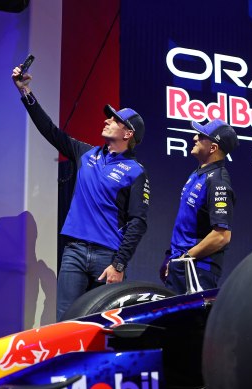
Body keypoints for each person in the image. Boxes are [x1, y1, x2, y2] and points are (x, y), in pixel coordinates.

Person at [12, 63, 150, 320]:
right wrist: (25, 91)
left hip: (107, 257)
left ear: (128, 133)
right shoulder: (86, 153)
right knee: (65, 322)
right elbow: (50, 131)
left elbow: (138, 222)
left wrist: (119, 264)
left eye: (114, 119)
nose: (107, 120)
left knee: (103, 324)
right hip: (73, 252)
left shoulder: (135, 171)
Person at [163, 119, 238, 294]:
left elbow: (222, 236)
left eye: (201, 136)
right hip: (181, 264)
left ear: (213, 148)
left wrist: (186, 258)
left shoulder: (218, 181)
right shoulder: (197, 174)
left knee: (192, 314)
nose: (195, 137)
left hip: (197, 268)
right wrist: (170, 258)